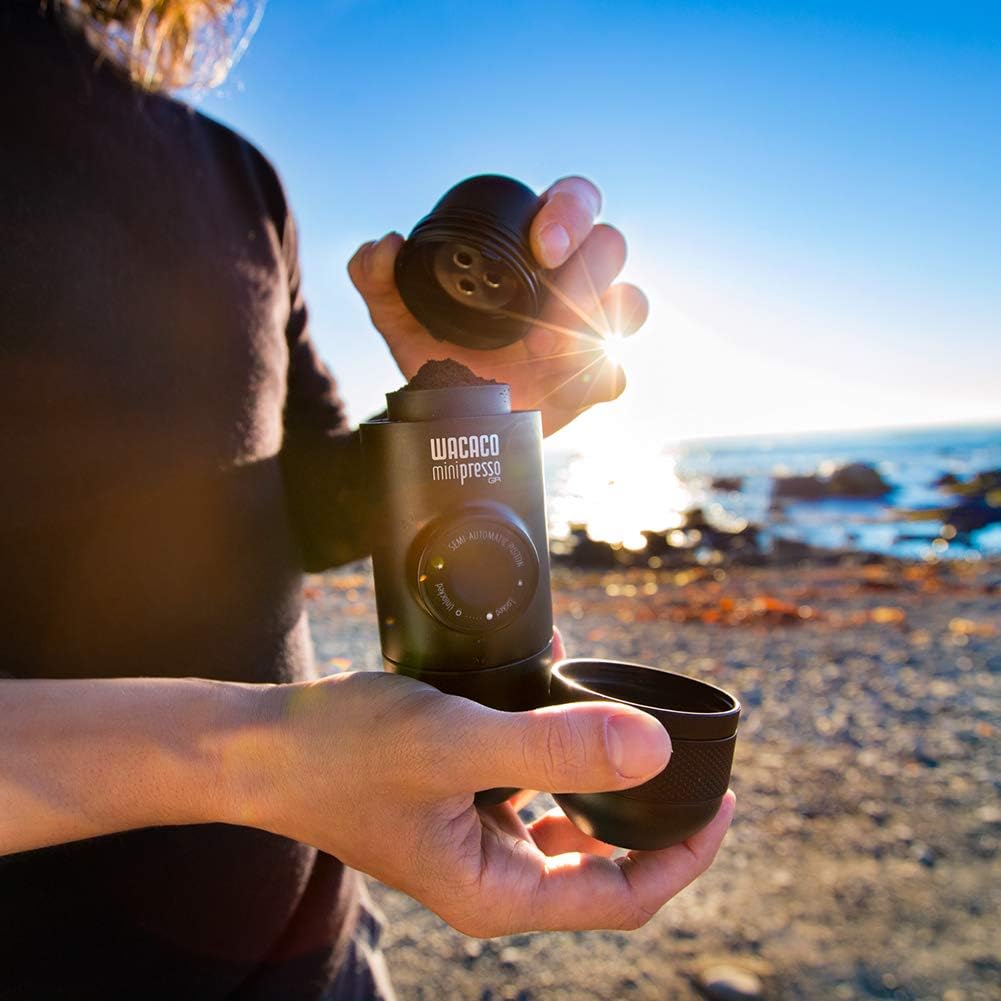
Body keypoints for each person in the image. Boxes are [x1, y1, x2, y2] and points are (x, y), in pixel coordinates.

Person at [0, 2, 736, 999]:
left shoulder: (239, 178)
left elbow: (290, 511)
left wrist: (461, 414)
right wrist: (264, 759)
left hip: (312, 941)